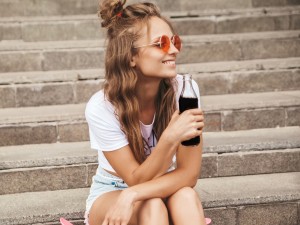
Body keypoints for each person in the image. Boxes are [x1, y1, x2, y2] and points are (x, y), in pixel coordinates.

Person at [84, 0, 209, 225]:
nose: (173, 50)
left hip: (163, 183)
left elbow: (189, 174)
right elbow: (134, 179)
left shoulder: (185, 91)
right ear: (130, 56)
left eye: (174, 41)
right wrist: (170, 138)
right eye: (160, 43)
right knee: (151, 206)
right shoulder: (102, 107)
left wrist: (132, 195)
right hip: (113, 189)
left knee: (186, 197)